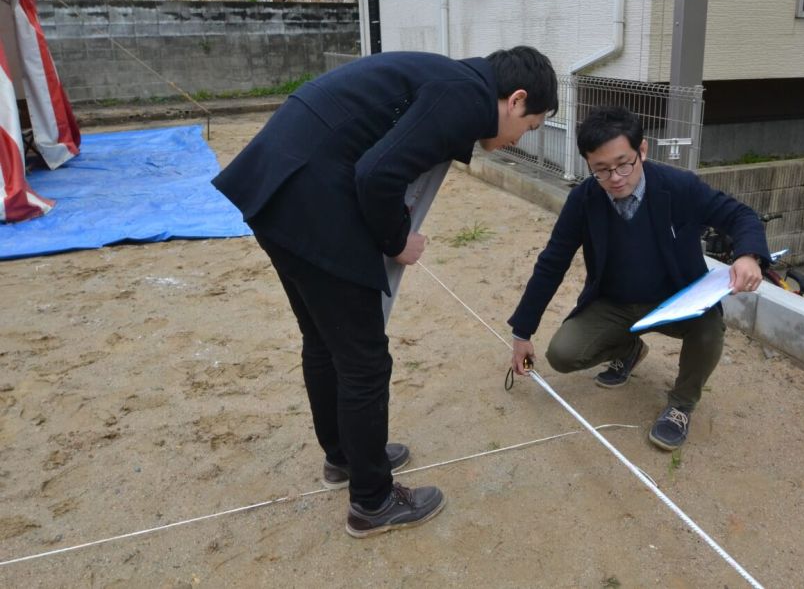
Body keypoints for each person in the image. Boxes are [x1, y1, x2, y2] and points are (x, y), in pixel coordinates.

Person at [213, 46, 558, 537]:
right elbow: (377, 174)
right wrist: (398, 240)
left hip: (277, 187)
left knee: (325, 341)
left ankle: (347, 457)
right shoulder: (463, 98)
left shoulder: (452, 81)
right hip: (310, 199)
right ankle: (372, 501)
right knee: (363, 360)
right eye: (529, 126)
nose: (519, 139)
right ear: (516, 100)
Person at [507, 106, 768, 451]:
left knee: (709, 330)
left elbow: (740, 216)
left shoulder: (679, 187)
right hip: (613, 303)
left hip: (677, 300)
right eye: (601, 169)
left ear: (642, 150)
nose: (615, 177)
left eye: (624, 163)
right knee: (563, 354)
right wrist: (522, 331)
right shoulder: (583, 199)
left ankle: (681, 405)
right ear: (588, 165)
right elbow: (552, 262)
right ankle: (629, 350)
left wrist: (748, 255)